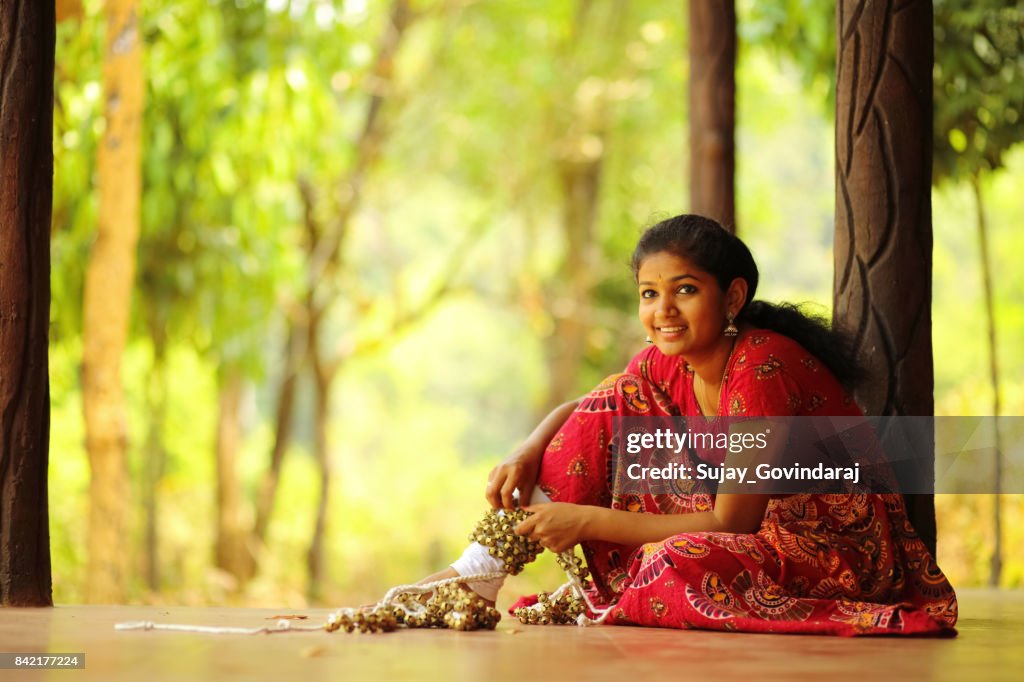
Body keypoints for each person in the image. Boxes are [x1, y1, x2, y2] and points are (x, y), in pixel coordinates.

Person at [425, 214, 957, 636]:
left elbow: (731, 523)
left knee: (676, 561)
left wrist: (585, 521)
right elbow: (588, 409)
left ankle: (590, 587)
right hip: (753, 533)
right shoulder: (673, 360)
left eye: (685, 290)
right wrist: (526, 448)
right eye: (649, 294)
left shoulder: (762, 366)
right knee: (615, 394)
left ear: (731, 297)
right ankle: (480, 571)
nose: (663, 311)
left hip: (832, 548)